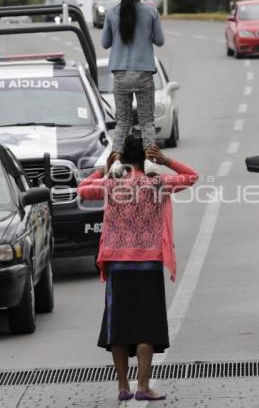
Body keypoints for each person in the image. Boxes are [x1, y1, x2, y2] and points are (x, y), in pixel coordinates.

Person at [77, 136, 198, 401]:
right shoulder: (157, 182)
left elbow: (83, 189)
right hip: (149, 264)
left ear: (122, 159)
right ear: (147, 158)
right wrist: (166, 161)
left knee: (118, 327)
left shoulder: (112, 183)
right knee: (146, 327)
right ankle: (143, 386)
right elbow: (192, 176)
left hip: (118, 265)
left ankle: (123, 386)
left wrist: (105, 167)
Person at [101, 0, 165, 177]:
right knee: (146, 120)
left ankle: (116, 162)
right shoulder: (150, 11)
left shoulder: (111, 12)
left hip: (120, 75)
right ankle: (149, 161)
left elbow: (105, 43)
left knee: (123, 122)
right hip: (144, 73)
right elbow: (160, 40)